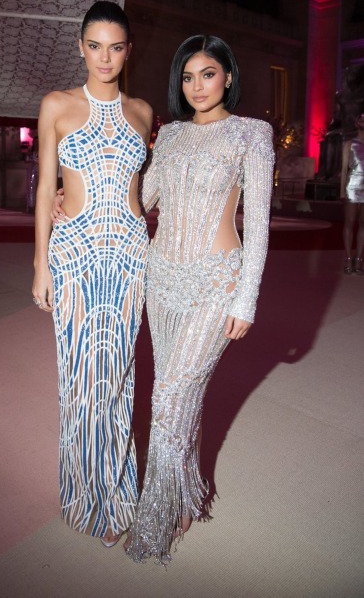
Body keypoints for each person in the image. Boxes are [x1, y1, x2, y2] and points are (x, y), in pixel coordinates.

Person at [124, 34, 275, 563]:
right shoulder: (169, 138)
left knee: (166, 400)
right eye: (187, 77)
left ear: (228, 76)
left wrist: (246, 300)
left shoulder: (253, 135)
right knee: (180, 397)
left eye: (207, 74)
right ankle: (187, 496)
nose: (197, 86)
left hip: (216, 283)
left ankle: (158, 512)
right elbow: (141, 202)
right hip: (160, 280)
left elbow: (257, 225)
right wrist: (75, 198)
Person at [32, 1, 153, 547]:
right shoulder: (56, 105)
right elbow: (43, 190)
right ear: (81, 47)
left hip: (129, 255)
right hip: (75, 254)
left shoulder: (144, 112)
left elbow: (142, 190)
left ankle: (117, 493)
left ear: (128, 51)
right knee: (80, 379)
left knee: (120, 378)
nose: (106, 57)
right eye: (96, 45)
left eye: (117, 46)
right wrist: (40, 265)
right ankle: (85, 493)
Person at [340, 112, 364, 274]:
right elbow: (343, 170)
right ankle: (348, 258)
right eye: (361, 118)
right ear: (356, 122)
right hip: (352, 185)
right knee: (349, 222)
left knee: (363, 225)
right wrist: (342, 190)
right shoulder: (349, 143)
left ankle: (359, 260)